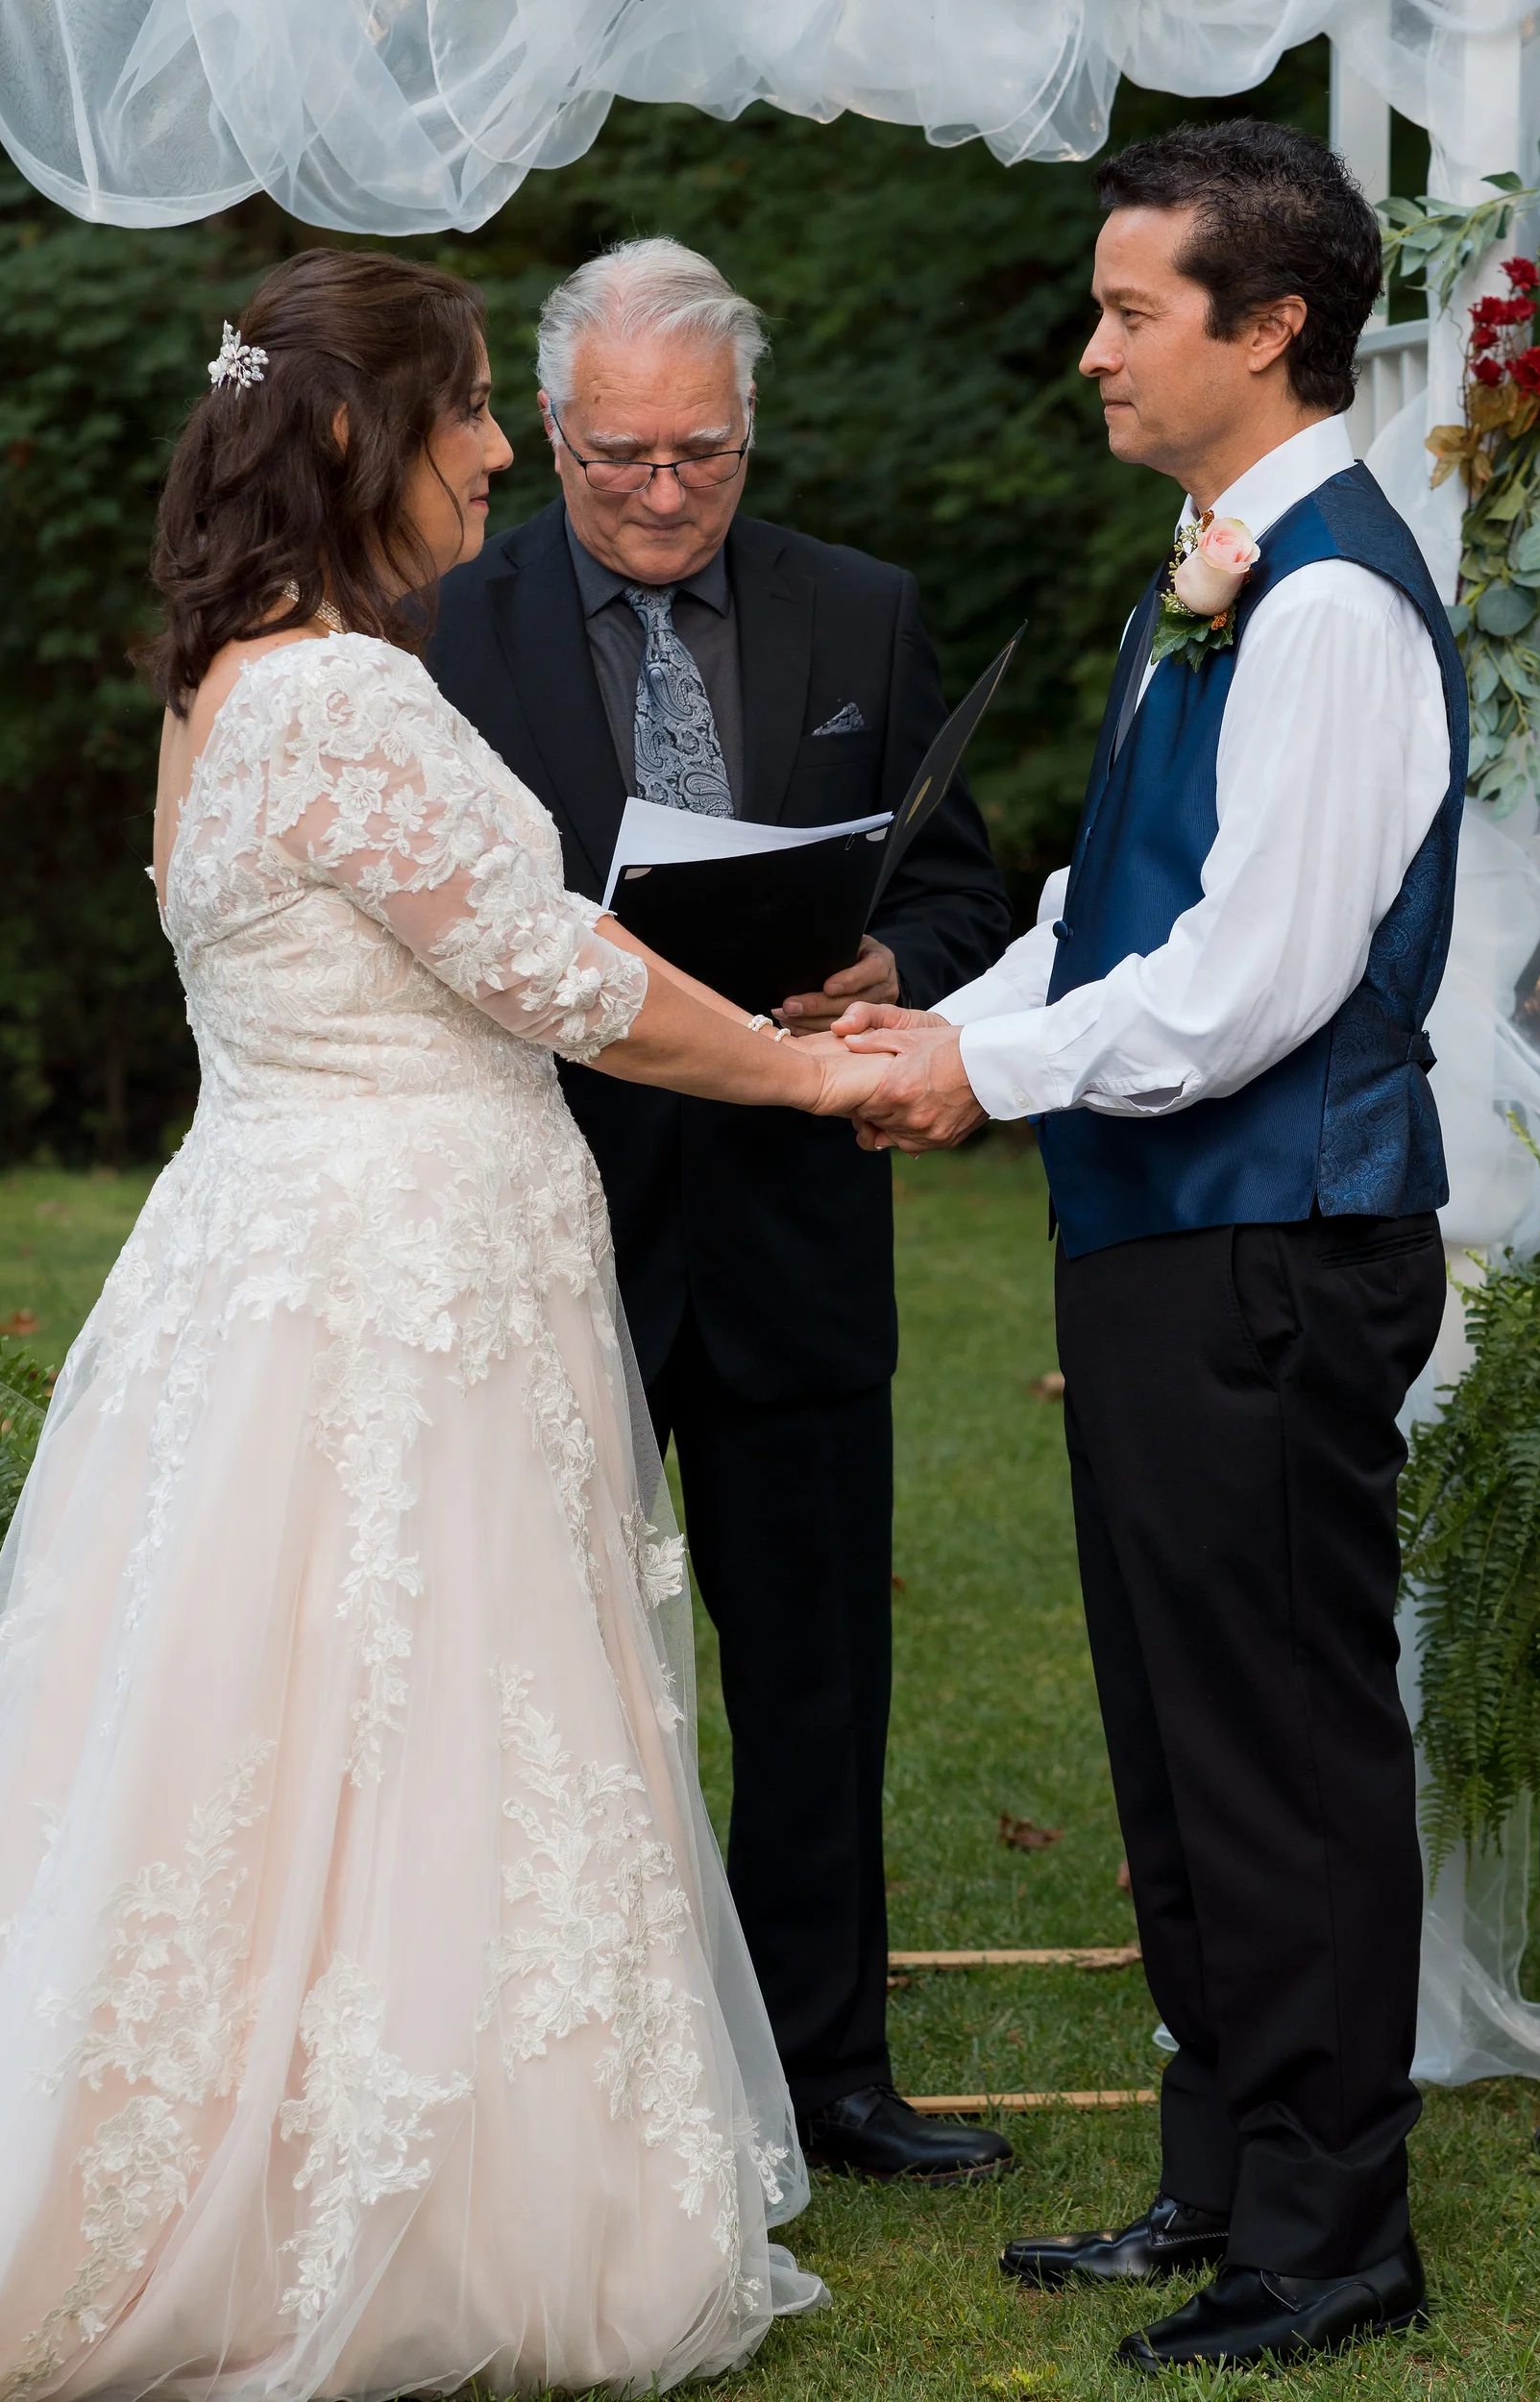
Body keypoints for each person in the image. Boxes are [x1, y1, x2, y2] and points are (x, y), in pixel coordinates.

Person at [0, 249, 900, 2399]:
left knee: (285, 1727)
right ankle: (398, 2199)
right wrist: (813, 1070)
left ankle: (296, 2133)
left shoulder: (223, 680)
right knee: (415, 1701)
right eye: (476, 409)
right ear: (371, 436)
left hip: (288, 1252)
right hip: (389, 1293)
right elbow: (564, 972)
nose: (497, 451)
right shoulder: (343, 696)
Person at [838, 121, 1463, 2372]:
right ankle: (1220, 2173)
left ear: (1266, 324)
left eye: (1128, 309)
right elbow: (1107, 920)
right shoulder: (1203, 567)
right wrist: (937, 1021)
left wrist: (976, 1084)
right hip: (1164, 1243)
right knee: (1175, 1730)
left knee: (1278, 1741)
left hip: (1268, 1244)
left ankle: (1330, 2234)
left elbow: (1256, 979)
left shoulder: (1318, 605)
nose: (1091, 346)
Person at [428, 238, 1013, 2184]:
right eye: (617, 459)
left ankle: (828, 2064)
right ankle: (557, 2072)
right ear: (549, 441)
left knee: (810, 1659)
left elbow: (959, 887)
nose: (663, 492)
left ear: (748, 431)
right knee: (528, 1656)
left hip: (787, 1218)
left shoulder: (860, 613)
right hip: (544, 1207)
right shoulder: (442, 630)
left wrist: (885, 968)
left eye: (702, 452)